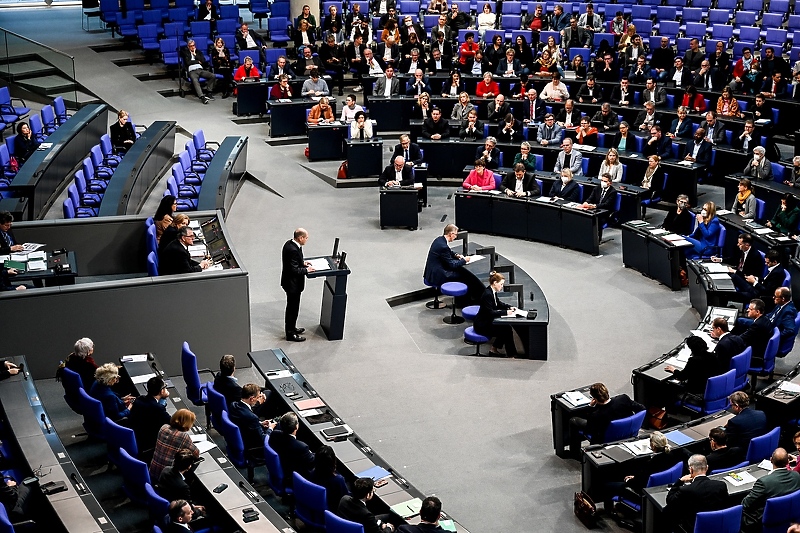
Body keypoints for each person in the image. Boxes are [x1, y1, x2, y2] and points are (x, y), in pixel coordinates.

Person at [604, 432, 688, 509]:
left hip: (642, 494)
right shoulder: (673, 455)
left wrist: (629, 480)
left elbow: (638, 484)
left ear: (653, 446)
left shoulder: (653, 463)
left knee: (608, 485)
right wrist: (636, 476)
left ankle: (610, 512)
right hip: (661, 489)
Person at [568, 382, 645, 457]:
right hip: (628, 433)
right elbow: (642, 408)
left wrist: (590, 408)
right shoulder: (623, 399)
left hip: (604, 438)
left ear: (595, 399)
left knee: (573, 420)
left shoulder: (596, 415)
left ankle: (574, 453)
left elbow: (589, 429)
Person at [741, 449, 800, 532]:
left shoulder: (764, 482)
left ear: (771, 460)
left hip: (765, 521)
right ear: (787, 462)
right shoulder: (796, 476)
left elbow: (746, 504)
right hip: (789, 518)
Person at [664, 455, 728, 531]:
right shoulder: (721, 485)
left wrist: (680, 481)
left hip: (694, 527)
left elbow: (670, 500)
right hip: (717, 525)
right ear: (707, 468)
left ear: (691, 470)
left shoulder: (685, 490)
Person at [281, 228, 314, 342]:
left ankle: (292, 328)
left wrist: (302, 263)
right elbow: (293, 270)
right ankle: (290, 334)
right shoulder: (293, 250)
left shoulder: (290, 244)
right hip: (292, 285)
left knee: (293, 308)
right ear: (300, 238)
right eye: (306, 238)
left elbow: (293, 262)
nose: (307, 240)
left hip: (290, 283)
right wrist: (307, 270)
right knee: (292, 309)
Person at [474, 271, 517, 356]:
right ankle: (511, 355)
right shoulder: (487, 295)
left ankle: (494, 349)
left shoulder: (492, 291)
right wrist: (506, 312)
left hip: (487, 321)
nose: (502, 286)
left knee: (506, 328)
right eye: (501, 284)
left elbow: (498, 303)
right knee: (506, 330)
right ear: (494, 283)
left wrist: (509, 307)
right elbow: (490, 313)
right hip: (482, 325)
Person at [268, 412, 315, 487]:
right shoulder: (301, 447)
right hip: (292, 477)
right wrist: (311, 453)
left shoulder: (274, 434)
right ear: (296, 427)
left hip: (280, 468)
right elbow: (312, 461)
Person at [151, 409, 200, 481]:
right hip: (167, 476)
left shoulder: (163, 427)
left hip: (153, 470)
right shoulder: (183, 436)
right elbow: (196, 453)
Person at [127, 376, 171, 455]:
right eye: (165, 387)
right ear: (161, 391)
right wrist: (164, 399)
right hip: (147, 441)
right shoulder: (157, 408)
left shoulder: (139, 399)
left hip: (135, 436)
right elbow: (172, 422)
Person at [229, 383, 276, 455]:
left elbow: (246, 421)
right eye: (258, 397)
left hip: (242, 434)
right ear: (252, 398)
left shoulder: (233, 405)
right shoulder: (252, 417)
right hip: (251, 444)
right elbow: (263, 439)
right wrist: (270, 428)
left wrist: (260, 423)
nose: (259, 399)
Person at [311, 445, 350, 514]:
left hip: (316, 506)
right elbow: (346, 499)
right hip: (334, 510)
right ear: (333, 460)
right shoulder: (338, 480)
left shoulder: (312, 473)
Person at [181, 40, 215, 104]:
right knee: (195, 80)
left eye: (193, 45)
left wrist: (195, 55)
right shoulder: (186, 53)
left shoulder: (198, 52)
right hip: (192, 71)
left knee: (212, 76)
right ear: (188, 47)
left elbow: (203, 60)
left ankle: (209, 91)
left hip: (200, 69)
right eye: (190, 46)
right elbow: (188, 62)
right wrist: (198, 61)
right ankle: (202, 97)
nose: (192, 47)